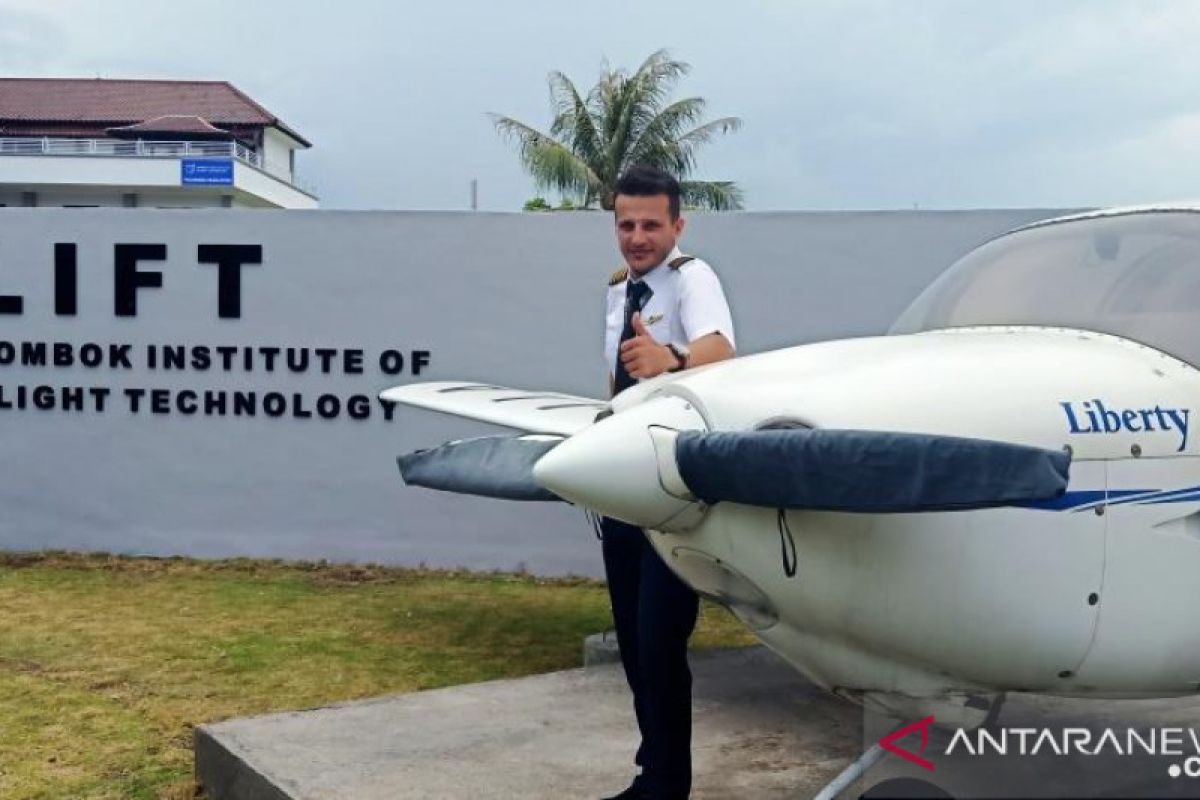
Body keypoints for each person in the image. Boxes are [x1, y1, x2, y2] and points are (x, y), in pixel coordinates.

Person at [599, 165, 736, 800]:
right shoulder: (616, 290)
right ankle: (651, 772)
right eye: (626, 224)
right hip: (623, 487)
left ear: (677, 225)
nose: (637, 236)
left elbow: (722, 349)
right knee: (631, 639)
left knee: (659, 641)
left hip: (671, 496)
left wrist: (671, 359)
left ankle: (667, 786)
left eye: (651, 224)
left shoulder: (691, 279)